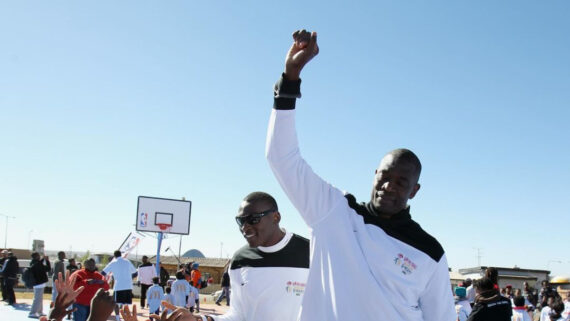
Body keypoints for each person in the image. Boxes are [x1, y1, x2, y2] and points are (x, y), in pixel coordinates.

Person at [265, 29, 455, 321]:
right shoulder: (333, 212)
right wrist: (290, 80)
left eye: (402, 182)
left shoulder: (429, 252)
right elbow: (282, 157)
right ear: (374, 174)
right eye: (385, 176)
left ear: (414, 191)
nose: (389, 186)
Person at [196, 191, 310, 321]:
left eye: (253, 219)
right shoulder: (240, 260)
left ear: (276, 217)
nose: (245, 227)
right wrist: (203, 319)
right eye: (241, 221)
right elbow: (237, 315)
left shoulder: (312, 253)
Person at [101, 250, 138, 321]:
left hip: (119, 286)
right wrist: (129, 278)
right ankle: (127, 319)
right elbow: (136, 273)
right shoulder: (127, 261)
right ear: (121, 255)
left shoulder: (113, 262)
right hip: (128, 286)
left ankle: (118, 319)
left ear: (114, 256)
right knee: (126, 304)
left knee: (116, 303)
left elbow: (103, 272)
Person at [29, 251, 51, 318]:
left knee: (39, 298)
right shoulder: (37, 264)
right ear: (36, 256)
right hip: (39, 283)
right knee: (37, 298)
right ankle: (32, 312)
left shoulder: (33, 263)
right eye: (38, 255)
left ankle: (39, 311)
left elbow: (39, 264)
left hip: (37, 283)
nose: (39, 257)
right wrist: (47, 261)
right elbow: (48, 268)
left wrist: (43, 259)